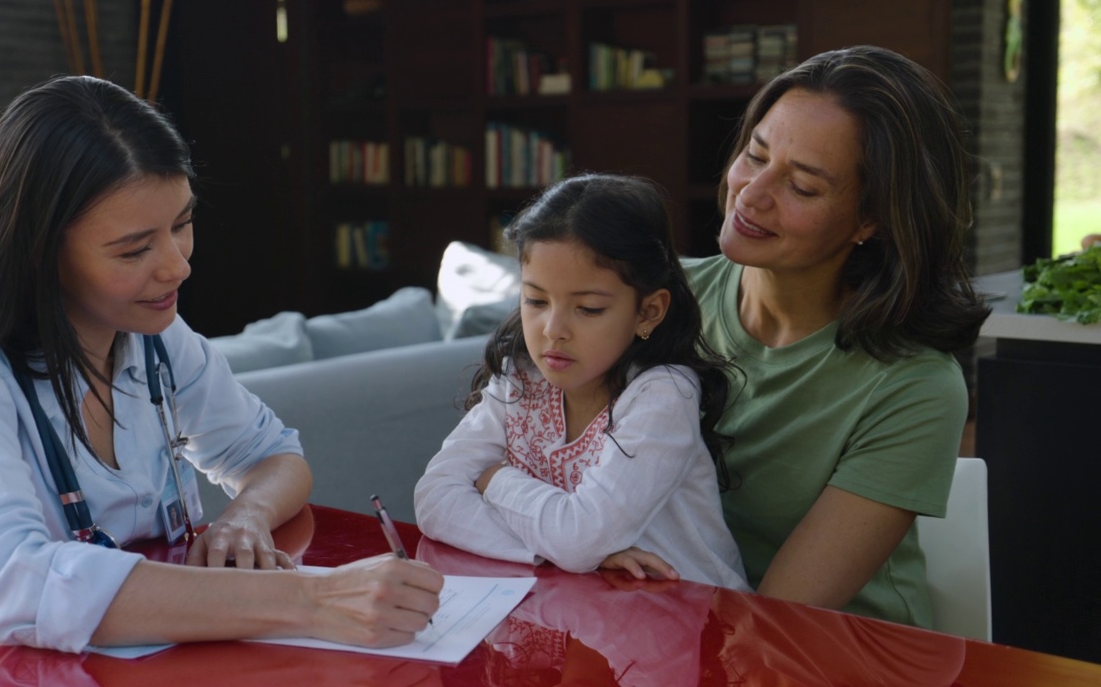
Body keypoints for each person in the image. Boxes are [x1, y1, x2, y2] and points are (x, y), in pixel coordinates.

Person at [0, 75, 442, 653]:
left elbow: (272, 455)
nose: (177, 266)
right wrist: (312, 604)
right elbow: (6, 583)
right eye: (135, 248)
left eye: (182, 224)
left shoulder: (153, 334)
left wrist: (247, 514)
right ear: (38, 251)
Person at [683, 45, 991, 627]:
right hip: (668, 632)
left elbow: (777, 619)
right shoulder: (652, 300)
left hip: (833, 654)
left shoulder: (914, 386)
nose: (751, 193)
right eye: (755, 155)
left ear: (872, 220)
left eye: (801, 187)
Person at [414, 173, 749, 591]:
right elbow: (434, 501)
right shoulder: (521, 377)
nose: (553, 330)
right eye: (536, 301)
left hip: (693, 619)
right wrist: (561, 551)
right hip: (584, 609)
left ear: (648, 312)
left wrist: (494, 480)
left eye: (588, 309)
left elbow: (581, 538)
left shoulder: (662, 394)